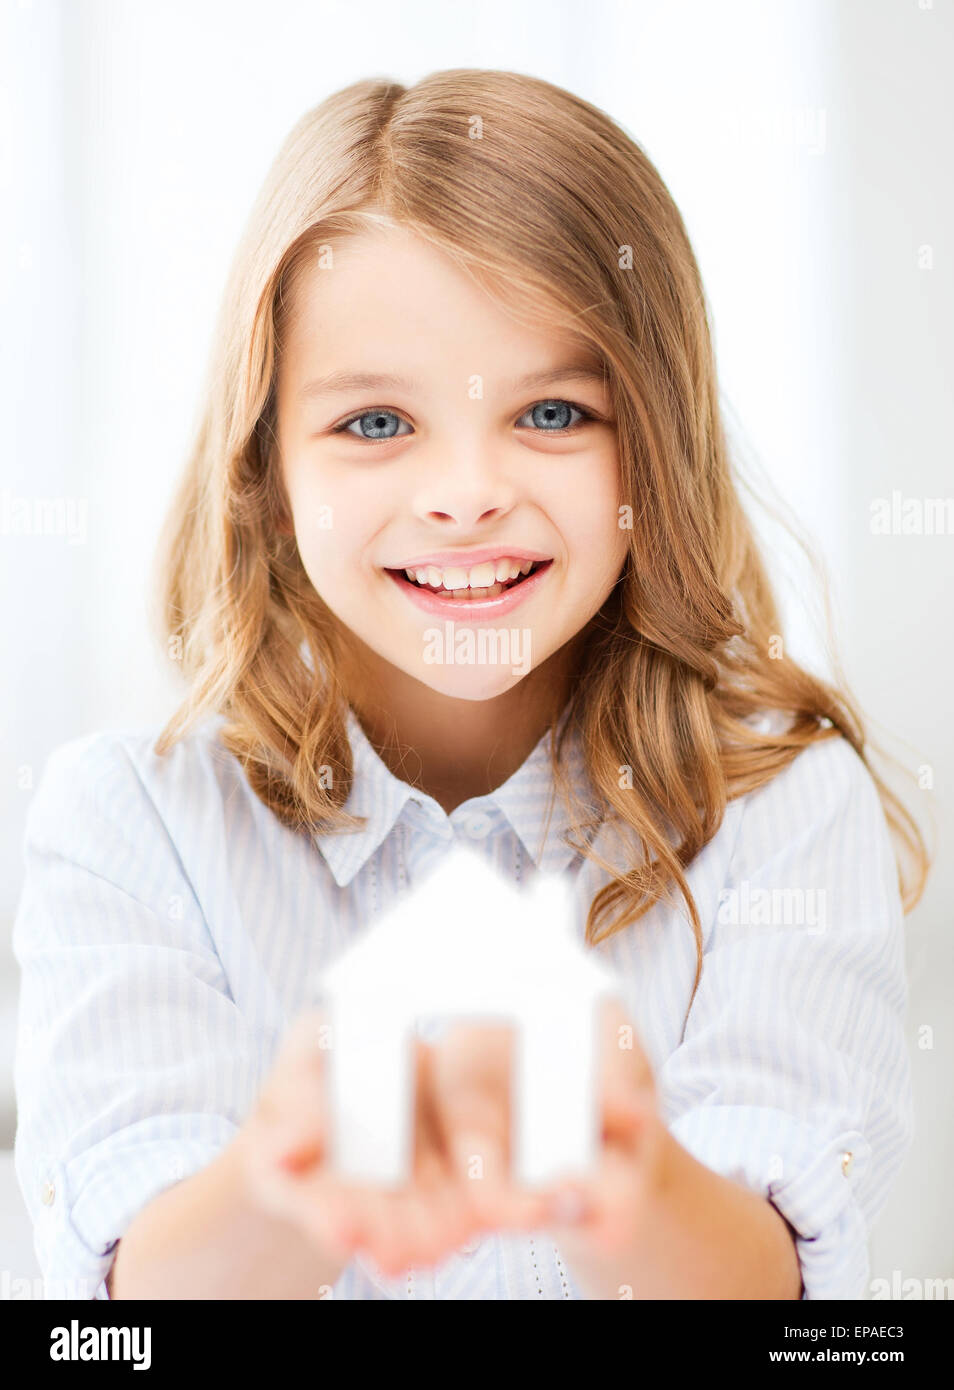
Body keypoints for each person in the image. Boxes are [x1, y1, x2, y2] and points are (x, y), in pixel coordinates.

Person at [12, 69, 930, 1301]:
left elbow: (781, 1304)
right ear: (267, 464)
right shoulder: (130, 822)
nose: (464, 493)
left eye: (552, 410)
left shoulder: (780, 813)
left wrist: (627, 1173)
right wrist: (304, 1167)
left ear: (653, 447)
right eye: (377, 424)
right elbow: (119, 1315)